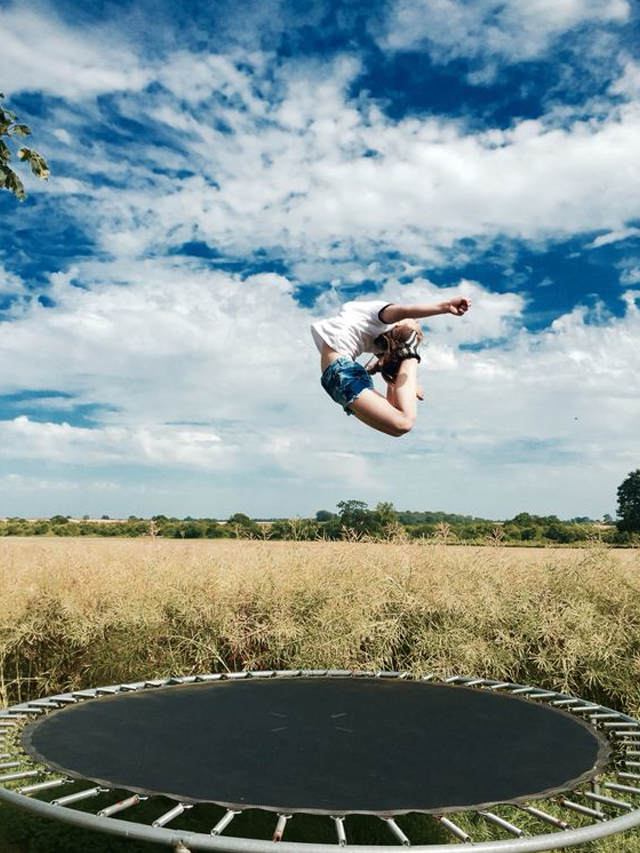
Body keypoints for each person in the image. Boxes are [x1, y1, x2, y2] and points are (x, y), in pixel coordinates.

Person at [311, 296, 470, 437]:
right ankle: (411, 352)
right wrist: (445, 306)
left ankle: (408, 352)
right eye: (415, 326)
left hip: (336, 379)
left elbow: (385, 361)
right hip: (340, 373)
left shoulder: (374, 337)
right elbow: (405, 310)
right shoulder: (378, 314)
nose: (416, 324)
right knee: (404, 422)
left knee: (397, 429)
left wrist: (407, 380)